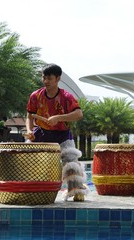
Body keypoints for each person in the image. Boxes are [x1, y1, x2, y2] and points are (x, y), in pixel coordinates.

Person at [25, 63, 88, 202]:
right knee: (24, 156)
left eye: (49, 78)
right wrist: (29, 131)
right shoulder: (35, 96)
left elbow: (79, 114)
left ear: (58, 79)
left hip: (62, 134)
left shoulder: (67, 97)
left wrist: (59, 118)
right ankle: (23, 188)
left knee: (71, 161)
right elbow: (30, 116)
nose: (45, 81)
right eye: (44, 78)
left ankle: (76, 191)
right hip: (40, 133)